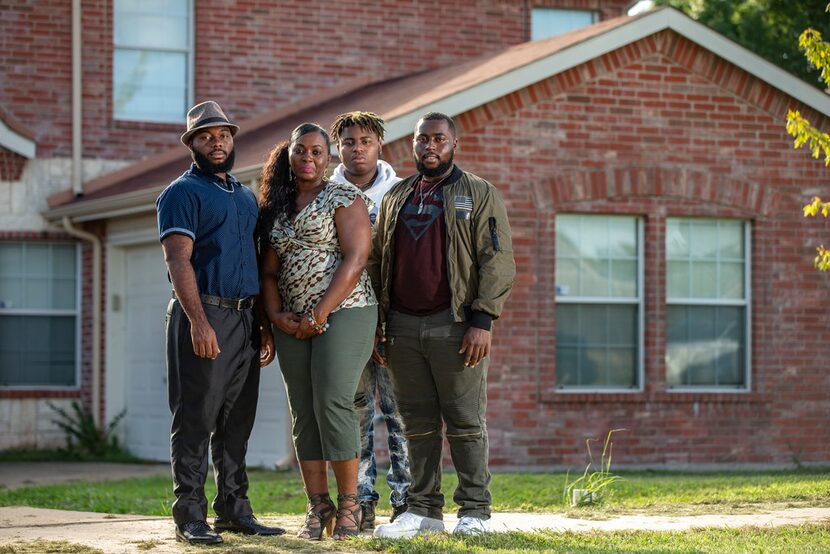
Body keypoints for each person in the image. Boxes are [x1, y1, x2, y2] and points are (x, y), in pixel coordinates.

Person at [369, 112, 515, 538]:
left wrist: (482, 320)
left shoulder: (479, 192)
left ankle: (475, 512)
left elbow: (497, 259)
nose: (429, 146)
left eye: (438, 139)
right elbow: (378, 260)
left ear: (454, 144)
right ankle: (424, 512)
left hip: (455, 326)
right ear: (412, 144)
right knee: (416, 424)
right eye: (421, 140)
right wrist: (380, 323)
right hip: (402, 327)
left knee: (466, 421)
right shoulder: (396, 195)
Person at [156, 100, 284, 545]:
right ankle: (189, 516)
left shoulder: (245, 196)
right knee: (196, 417)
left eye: (223, 134)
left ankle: (234, 509)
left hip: (246, 319)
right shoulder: (181, 193)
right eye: (206, 136)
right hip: (203, 314)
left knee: (237, 422)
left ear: (233, 139)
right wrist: (198, 321)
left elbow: (252, 260)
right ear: (192, 143)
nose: (217, 142)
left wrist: (263, 324)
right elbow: (178, 259)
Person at [258, 123, 377, 540]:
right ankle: (317, 505)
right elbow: (268, 271)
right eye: (300, 151)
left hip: (345, 310)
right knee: (303, 409)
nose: (308, 158)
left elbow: (356, 258)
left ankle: (350, 506)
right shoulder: (276, 206)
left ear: (328, 158)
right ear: (288, 155)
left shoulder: (344, 197)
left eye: (317, 152)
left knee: (332, 399)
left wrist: (319, 312)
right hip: (291, 319)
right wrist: (275, 315)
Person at [329, 111, 411, 529]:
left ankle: (406, 502)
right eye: (348, 142)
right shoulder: (326, 194)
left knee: (398, 411)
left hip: (395, 319)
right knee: (355, 410)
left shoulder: (402, 193)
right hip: (347, 318)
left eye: (365, 141)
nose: (356, 149)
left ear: (380, 144)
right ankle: (361, 502)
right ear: (336, 147)